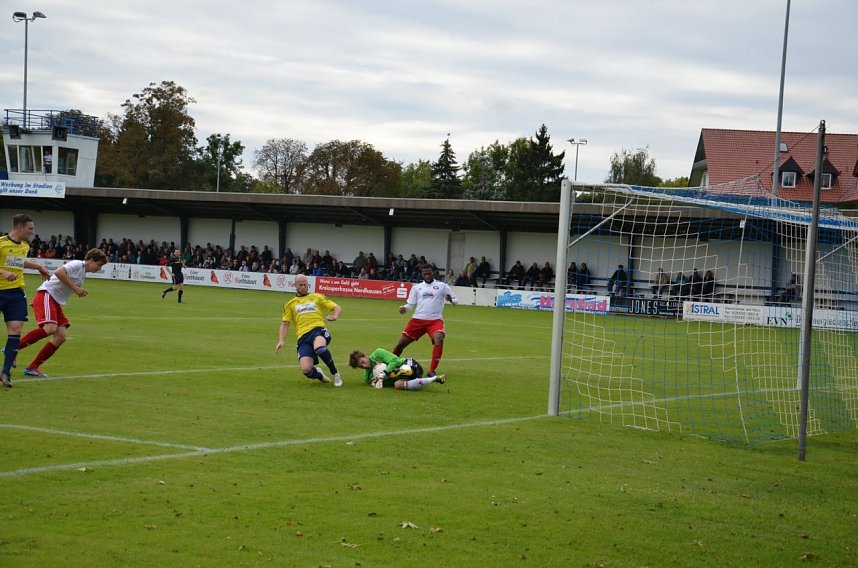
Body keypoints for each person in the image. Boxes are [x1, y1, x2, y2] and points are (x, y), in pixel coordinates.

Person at [16, 248, 109, 378]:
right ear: (91, 260)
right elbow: (59, 272)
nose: (99, 268)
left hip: (54, 301)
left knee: (61, 336)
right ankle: (13, 348)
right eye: (99, 265)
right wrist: (75, 288)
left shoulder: (82, 273)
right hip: (47, 295)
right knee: (50, 328)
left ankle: (32, 367)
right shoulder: (77, 264)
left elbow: (58, 283)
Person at [1, 214, 51, 388]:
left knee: (15, 330)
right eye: (30, 228)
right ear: (19, 227)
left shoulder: (25, 246)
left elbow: (19, 262)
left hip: (16, 293)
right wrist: (3, 272)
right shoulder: (1, 243)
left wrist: (39, 267)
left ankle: (5, 373)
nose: (32, 232)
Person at [275, 274, 343, 386]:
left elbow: (337, 308)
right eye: (300, 285)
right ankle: (320, 375)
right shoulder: (290, 304)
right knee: (306, 370)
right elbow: (285, 324)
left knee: (319, 348)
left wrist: (335, 316)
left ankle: (335, 373)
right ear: (295, 285)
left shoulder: (317, 297)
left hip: (318, 330)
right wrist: (281, 340)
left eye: (305, 284)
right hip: (303, 337)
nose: (303, 287)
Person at [393, 264, 458, 376]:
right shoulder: (417, 287)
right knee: (400, 344)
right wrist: (404, 309)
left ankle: (432, 371)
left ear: (433, 273)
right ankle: (391, 365)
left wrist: (451, 300)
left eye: (429, 273)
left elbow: (456, 301)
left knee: (439, 339)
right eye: (425, 274)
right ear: (422, 275)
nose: (427, 276)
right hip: (417, 320)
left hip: (435, 320)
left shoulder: (442, 286)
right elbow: (410, 304)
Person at [348, 348, 447, 390]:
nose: (365, 366)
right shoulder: (368, 377)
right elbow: (388, 384)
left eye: (363, 362)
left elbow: (394, 360)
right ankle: (435, 379)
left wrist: (384, 373)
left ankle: (403, 371)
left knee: (403, 369)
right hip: (408, 378)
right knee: (397, 385)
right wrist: (379, 381)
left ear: (365, 356)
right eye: (360, 366)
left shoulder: (378, 353)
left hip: (409, 364)